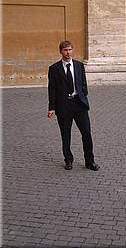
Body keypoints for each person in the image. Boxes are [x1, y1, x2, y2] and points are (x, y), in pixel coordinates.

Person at [47, 40, 100, 171]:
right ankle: (68, 160)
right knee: (66, 135)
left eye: (70, 49)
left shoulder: (79, 65)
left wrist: (83, 95)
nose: (68, 52)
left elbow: (83, 84)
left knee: (86, 133)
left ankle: (90, 161)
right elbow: (52, 89)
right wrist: (51, 107)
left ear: (73, 50)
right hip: (63, 106)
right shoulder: (54, 69)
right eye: (65, 50)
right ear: (60, 51)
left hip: (79, 104)